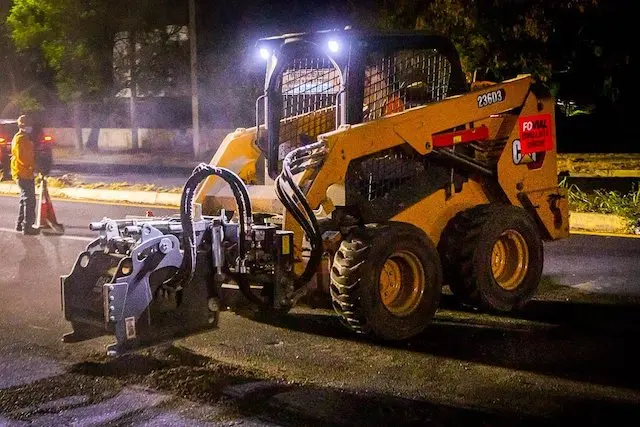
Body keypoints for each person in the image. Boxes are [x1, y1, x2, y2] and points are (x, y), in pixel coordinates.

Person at [11, 114, 39, 235]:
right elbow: (23, 158)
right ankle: (27, 227)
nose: (29, 127)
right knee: (29, 200)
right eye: (26, 125)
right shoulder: (21, 139)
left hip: (23, 172)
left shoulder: (24, 138)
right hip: (23, 173)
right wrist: (33, 166)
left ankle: (20, 224)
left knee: (24, 199)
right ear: (21, 126)